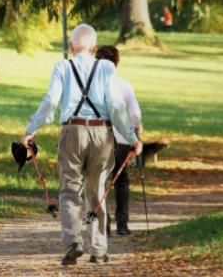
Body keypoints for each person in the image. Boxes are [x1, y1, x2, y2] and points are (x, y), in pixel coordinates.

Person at [21, 24, 142, 266]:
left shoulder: (63, 66)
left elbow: (51, 101)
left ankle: (73, 242)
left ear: (71, 46)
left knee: (69, 190)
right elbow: (116, 107)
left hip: (72, 132)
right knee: (97, 190)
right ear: (94, 48)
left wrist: (31, 130)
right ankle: (98, 248)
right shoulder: (106, 67)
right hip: (101, 133)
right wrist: (132, 138)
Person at [95, 45, 142, 236]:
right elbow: (135, 113)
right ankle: (122, 224)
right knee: (121, 180)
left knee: (100, 180)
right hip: (122, 139)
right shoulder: (124, 85)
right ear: (117, 63)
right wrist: (136, 133)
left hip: (98, 138)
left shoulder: (93, 87)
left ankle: (103, 225)